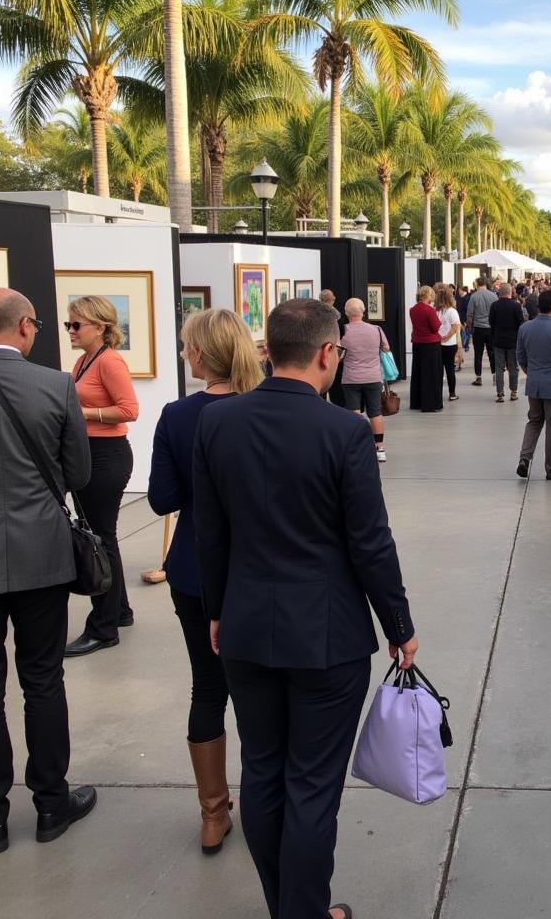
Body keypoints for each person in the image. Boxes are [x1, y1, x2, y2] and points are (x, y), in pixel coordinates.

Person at [193, 298, 417, 919]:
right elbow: (369, 542)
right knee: (313, 787)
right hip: (327, 637)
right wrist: (399, 626)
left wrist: (218, 611)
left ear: (268, 350)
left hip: (245, 630)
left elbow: (210, 532)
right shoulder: (344, 430)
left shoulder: (217, 423)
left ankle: (285, 907)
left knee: (264, 774)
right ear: (327, 354)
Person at [148, 309, 262, 854]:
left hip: (195, 571)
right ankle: (268, 805)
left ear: (199, 355)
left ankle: (214, 813)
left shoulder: (176, 416)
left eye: (186, 347)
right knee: (262, 691)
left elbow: (162, 499)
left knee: (208, 685)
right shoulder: (265, 411)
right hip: (260, 570)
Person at [0, 289, 96, 853]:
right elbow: (78, 472)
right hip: (41, 554)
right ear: (27, 327)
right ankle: (51, 806)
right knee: (42, 681)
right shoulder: (54, 385)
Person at [63, 295, 140, 657]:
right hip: (93, 455)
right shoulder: (84, 361)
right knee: (103, 535)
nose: (71, 331)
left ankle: (103, 627)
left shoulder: (109, 361)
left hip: (106, 457)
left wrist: (83, 413)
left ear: (101, 326)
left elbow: (129, 410)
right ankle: (119, 611)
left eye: (77, 324)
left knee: (98, 538)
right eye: (69, 324)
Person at [516, 288, 551, 481]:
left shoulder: (525, 328)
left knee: (534, 421)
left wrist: (531, 372)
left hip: (535, 382)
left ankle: (525, 458)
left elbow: (521, 356)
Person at [340, 298, 391, 459]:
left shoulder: (343, 332)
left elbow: (338, 356)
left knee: (354, 412)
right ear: (363, 312)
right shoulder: (376, 329)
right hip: (373, 377)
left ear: (346, 313)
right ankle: (380, 448)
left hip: (351, 378)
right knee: (375, 412)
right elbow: (386, 348)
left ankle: (357, 447)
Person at [409, 286, 443, 413]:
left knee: (418, 373)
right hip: (430, 344)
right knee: (432, 374)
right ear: (428, 296)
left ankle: (417, 402)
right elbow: (436, 327)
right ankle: (430, 403)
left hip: (417, 342)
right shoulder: (429, 310)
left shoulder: (413, 309)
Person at [488, 283, 524, 403]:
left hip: (498, 341)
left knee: (499, 368)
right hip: (513, 342)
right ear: (510, 292)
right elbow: (521, 324)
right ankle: (513, 392)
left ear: (500, 293)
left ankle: (500, 393)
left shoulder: (494, 306)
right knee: (513, 367)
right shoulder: (516, 306)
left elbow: (491, 323)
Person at [466, 277, 497, 385]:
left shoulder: (474, 296)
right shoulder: (494, 296)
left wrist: (469, 328)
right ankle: (495, 375)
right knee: (492, 353)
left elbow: (469, 315)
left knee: (478, 354)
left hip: (478, 329)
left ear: (477, 284)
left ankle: (478, 377)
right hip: (490, 329)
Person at [435, 285, 462, 402]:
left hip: (437, 343)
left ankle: (437, 393)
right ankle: (452, 394)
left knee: (438, 370)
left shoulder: (435, 311)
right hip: (450, 344)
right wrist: (447, 336)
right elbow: (456, 326)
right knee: (450, 368)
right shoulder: (452, 311)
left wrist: (441, 336)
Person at [456, 286, 472, 354]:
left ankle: (466, 345)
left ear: (463, 290)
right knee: (461, 332)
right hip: (459, 318)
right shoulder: (459, 298)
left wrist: (466, 320)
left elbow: (468, 310)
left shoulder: (467, 298)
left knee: (466, 332)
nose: (458, 292)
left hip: (465, 318)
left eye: (459, 290)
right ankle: (463, 344)